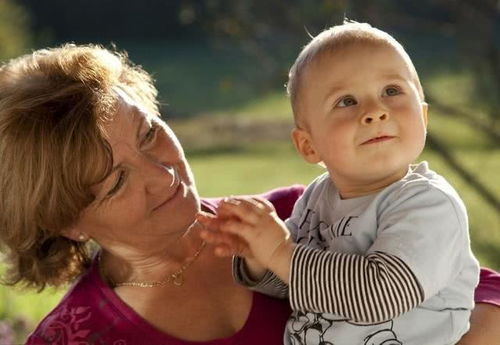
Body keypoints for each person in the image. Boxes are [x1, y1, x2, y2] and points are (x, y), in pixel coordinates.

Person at [0, 44, 497, 345]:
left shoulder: (301, 217)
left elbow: (480, 287)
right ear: (65, 219)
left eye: (150, 133)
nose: (162, 172)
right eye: (118, 180)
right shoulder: (74, 338)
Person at [197, 22, 487, 345]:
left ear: (424, 117)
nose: (375, 112)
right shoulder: (317, 199)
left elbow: (381, 295)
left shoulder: (429, 205)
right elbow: (295, 281)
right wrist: (258, 254)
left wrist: (280, 251)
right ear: (309, 146)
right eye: (346, 101)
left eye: (391, 91)